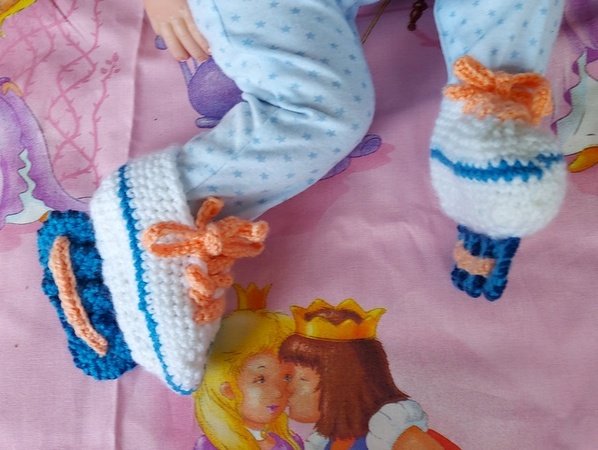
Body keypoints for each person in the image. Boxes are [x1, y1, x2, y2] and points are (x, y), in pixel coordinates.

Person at [279, 298, 460, 449]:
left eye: (301, 379)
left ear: (342, 384)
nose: (285, 388)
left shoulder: (394, 434)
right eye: (287, 377)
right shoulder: (326, 442)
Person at [193, 284, 303, 450]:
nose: (278, 392)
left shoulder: (291, 442)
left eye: (286, 377)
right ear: (228, 388)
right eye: (260, 379)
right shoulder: (211, 445)